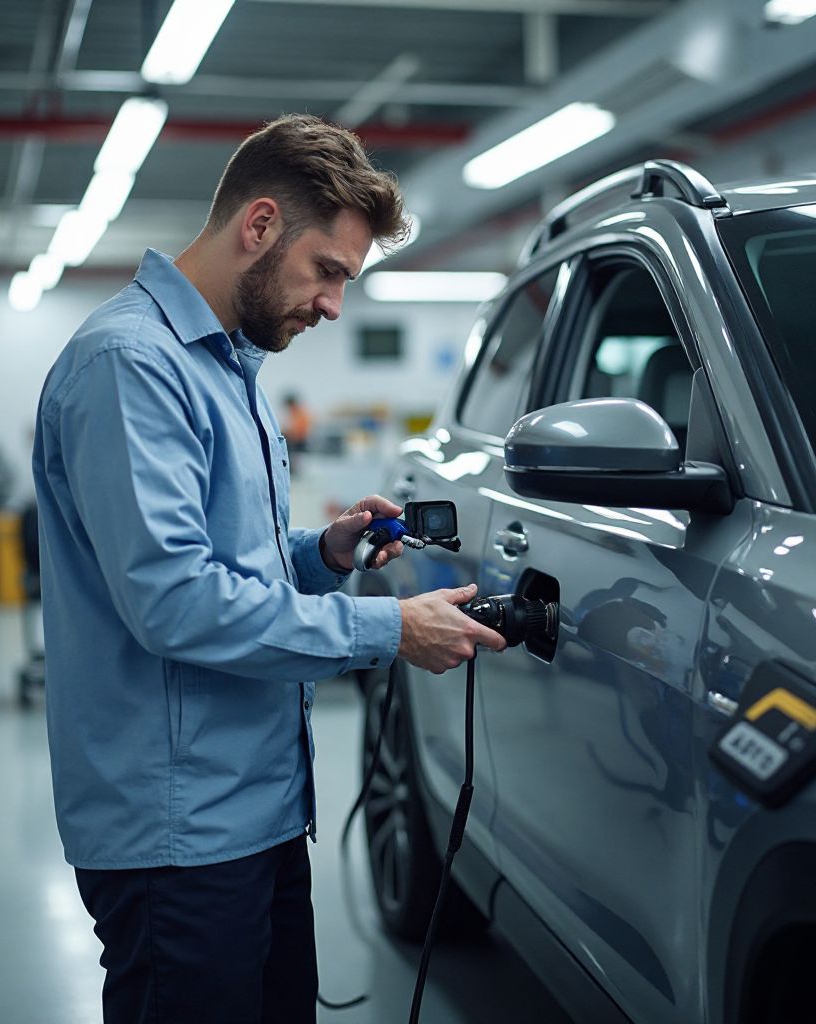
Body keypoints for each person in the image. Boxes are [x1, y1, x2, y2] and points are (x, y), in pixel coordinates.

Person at [32, 113, 505, 1024]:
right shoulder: (133, 365)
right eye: (327, 271)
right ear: (258, 226)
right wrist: (389, 629)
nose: (333, 304)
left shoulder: (227, 366)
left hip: (254, 811)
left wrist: (320, 555)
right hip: (177, 834)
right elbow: (174, 603)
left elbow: (224, 568)